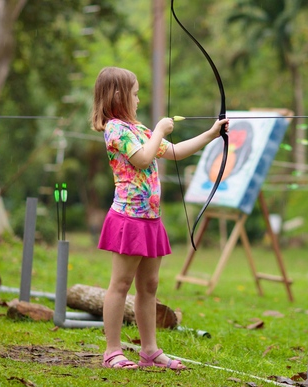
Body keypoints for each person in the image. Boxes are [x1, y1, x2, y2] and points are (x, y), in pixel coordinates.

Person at [91, 66, 228, 370]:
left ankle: (149, 351)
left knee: (149, 285)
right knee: (121, 283)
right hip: (129, 218)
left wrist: (211, 134)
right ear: (118, 95)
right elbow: (142, 158)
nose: (138, 99)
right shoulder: (116, 129)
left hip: (151, 219)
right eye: (135, 93)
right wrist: (160, 130)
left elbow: (176, 152)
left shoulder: (139, 129)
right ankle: (112, 351)